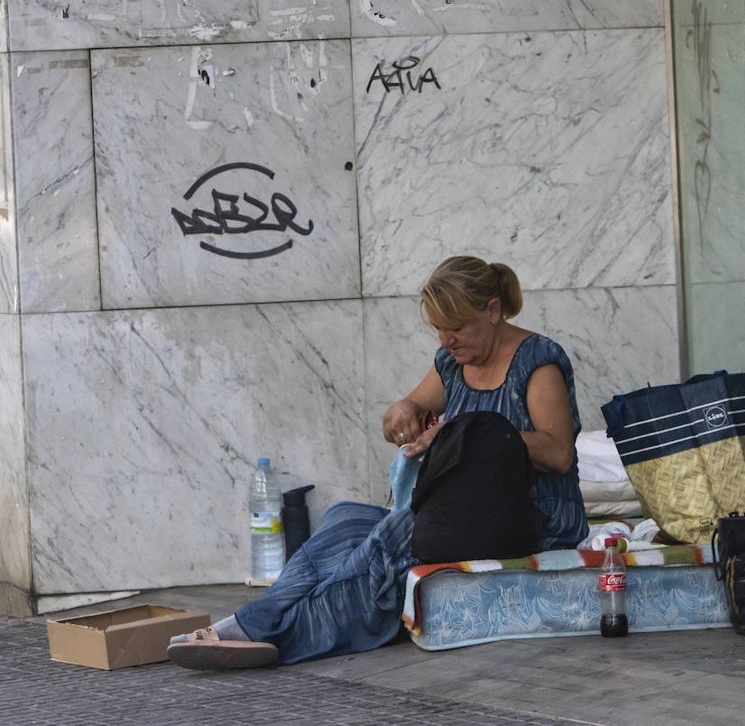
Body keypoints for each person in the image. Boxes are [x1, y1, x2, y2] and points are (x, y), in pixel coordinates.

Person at [166, 256, 589, 670]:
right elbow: (410, 406)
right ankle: (260, 619)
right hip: (465, 519)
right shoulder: (453, 363)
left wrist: (470, 436)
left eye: (457, 327)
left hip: (536, 521)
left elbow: (558, 452)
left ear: (493, 310)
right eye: (438, 328)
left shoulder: (537, 361)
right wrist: (402, 411)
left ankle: (273, 634)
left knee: (396, 533)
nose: (446, 340)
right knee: (345, 520)